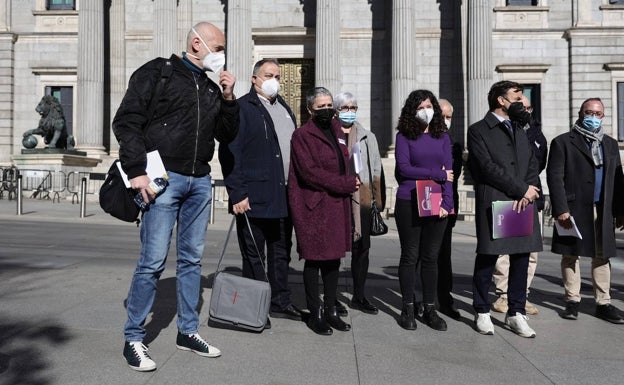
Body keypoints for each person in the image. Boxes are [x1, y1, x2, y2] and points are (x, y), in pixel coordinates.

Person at [113, 22, 239, 371]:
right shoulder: (158, 72)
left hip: (199, 180)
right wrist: (136, 169)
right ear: (197, 44)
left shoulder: (212, 88)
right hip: (162, 180)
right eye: (218, 46)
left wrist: (229, 98)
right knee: (152, 261)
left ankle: (187, 331)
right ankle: (134, 338)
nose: (222, 54)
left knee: (192, 261)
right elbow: (127, 121)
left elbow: (227, 135)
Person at [219, 59, 301, 328]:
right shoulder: (243, 107)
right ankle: (255, 306)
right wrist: (237, 193)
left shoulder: (285, 108)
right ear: (254, 79)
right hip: (253, 196)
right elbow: (230, 152)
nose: (274, 79)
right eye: (268, 75)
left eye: (277, 75)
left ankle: (280, 300)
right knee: (255, 255)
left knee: (281, 253)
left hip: (283, 195)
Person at [467, 80, 541, 338]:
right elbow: (487, 167)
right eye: (516, 96)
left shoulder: (521, 128)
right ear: (501, 100)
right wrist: (520, 189)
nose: (521, 101)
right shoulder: (478, 130)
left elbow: (533, 161)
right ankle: (482, 310)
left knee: (521, 257)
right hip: (497, 200)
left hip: (524, 201)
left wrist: (530, 189)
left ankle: (516, 312)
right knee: (489, 256)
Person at [289, 87, 360, 335]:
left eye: (329, 105)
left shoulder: (336, 130)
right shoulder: (301, 136)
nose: (327, 110)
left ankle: (331, 309)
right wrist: (345, 184)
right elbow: (309, 173)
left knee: (333, 260)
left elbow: (343, 162)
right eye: (321, 107)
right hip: (314, 206)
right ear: (310, 109)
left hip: (335, 204)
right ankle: (315, 312)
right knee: (314, 259)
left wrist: (351, 178)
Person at [546, 97, 624, 324]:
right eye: (589, 112)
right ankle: (572, 300)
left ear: (604, 116)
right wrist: (560, 208)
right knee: (571, 254)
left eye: (598, 113)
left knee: (602, 255)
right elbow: (555, 177)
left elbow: (617, 179)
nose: (593, 117)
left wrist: (620, 210)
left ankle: (603, 302)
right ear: (581, 114)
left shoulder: (609, 144)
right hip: (573, 208)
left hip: (603, 208)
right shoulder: (563, 142)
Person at [394, 89, 454, 331]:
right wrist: (436, 173)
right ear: (412, 110)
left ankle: (429, 307)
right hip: (409, 200)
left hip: (437, 203)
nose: (425, 111)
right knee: (410, 255)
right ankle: (408, 306)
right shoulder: (403, 136)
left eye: (428, 106)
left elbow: (450, 174)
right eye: (420, 107)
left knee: (431, 258)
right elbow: (405, 169)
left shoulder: (443, 137)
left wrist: (447, 203)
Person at [491, 94, 547, 316]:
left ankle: (521, 294)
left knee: (530, 252)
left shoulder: (536, 134)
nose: (525, 111)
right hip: (509, 195)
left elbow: (538, 163)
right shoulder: (503, 130)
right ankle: (503, 295)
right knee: (504, 251)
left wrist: (528, 190)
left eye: (528, 107)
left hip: (532, 195)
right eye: (520, 106)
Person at [333, 91, 384, 315]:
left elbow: (376, 169)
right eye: (345, 108)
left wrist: (377, 202)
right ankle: (332, 296)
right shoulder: (330, 134)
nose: (350, 112)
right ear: (336, 110)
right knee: (333, 250)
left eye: (353, 108)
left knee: (361, 250)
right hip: (336, 197)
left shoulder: (366, 136)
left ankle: (359, 295)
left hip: (361, 198)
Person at [435, 98, 462, 320]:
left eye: (448, 116)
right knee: (420, 256)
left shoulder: (455, 145)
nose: (445, 121)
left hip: (446, 203)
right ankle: (419, 299)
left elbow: (454, 173)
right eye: (441, 115)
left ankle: (445, 300)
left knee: (444, 255)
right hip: (423, 202)